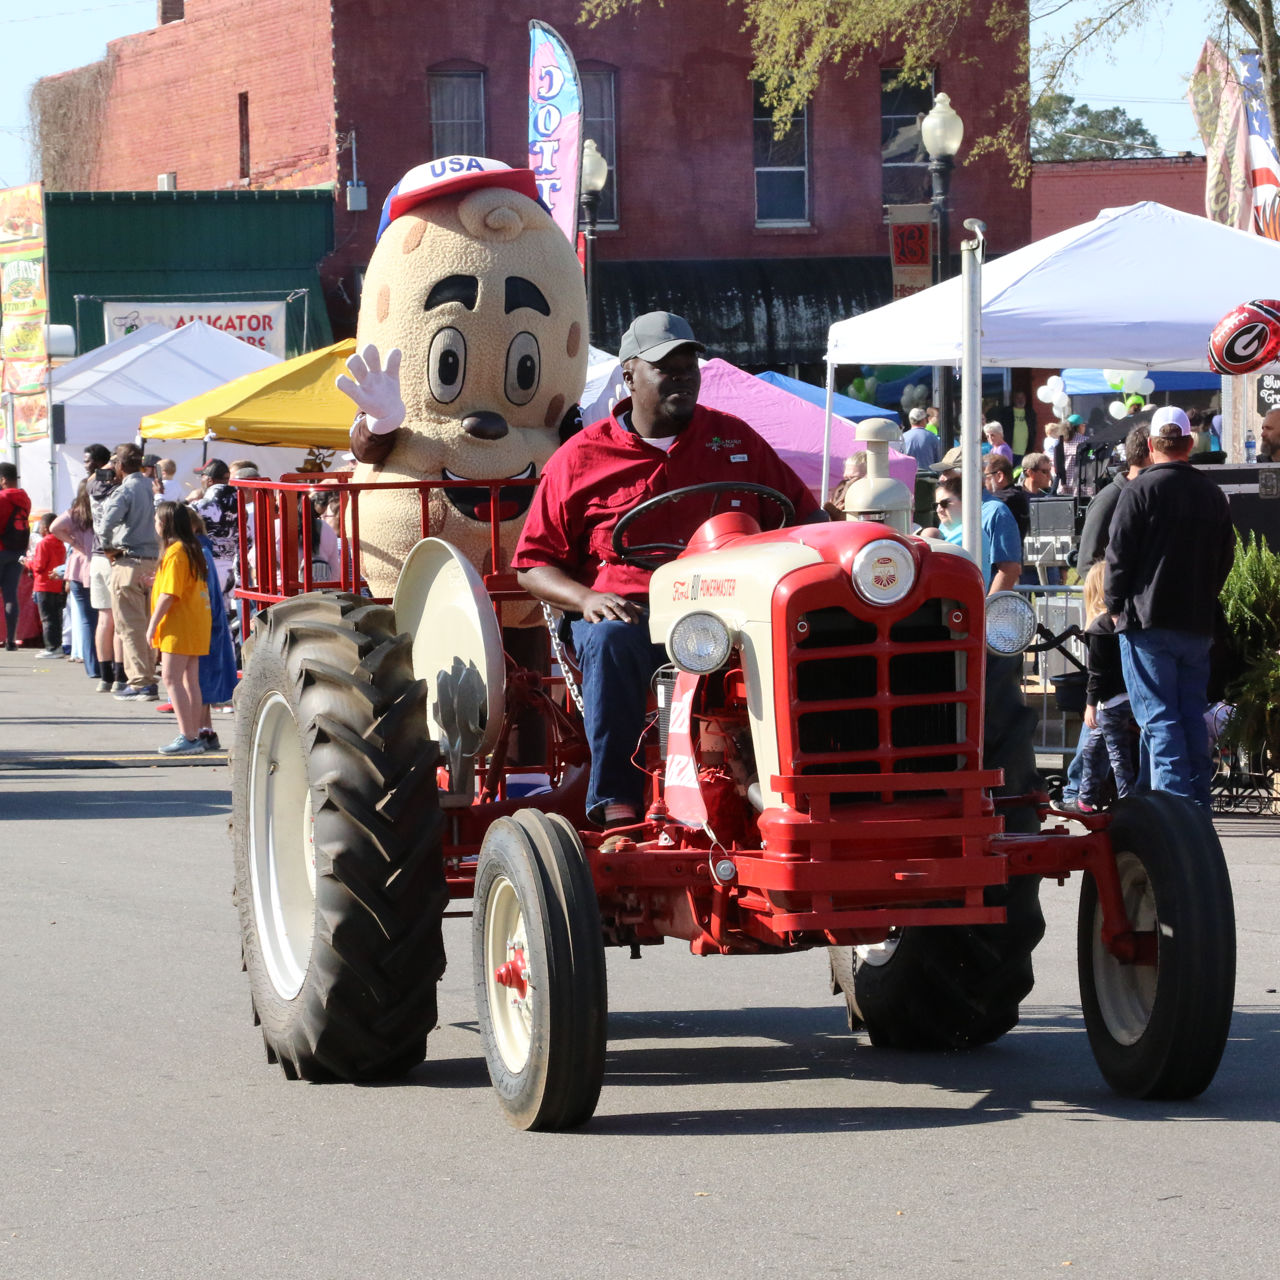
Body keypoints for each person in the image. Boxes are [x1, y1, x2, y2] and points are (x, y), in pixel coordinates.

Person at [512, 310, 821, 828]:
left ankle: (808, 788)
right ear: (629, 375)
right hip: (633, 613)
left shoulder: (735, 441)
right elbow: (532, 565)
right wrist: (586, 599)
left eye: (689, 366)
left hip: (730, 614)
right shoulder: (579, 458)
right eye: (666, 367)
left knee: (808, 634)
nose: (683, 376)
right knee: (611, 642)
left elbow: (806, 515)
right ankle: (617, 807)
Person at [1104, 406, 1235, 810]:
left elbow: (1118, 555)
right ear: (1189, 444)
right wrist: (1204, 594)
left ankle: (1176, 815)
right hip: (1195, 623)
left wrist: (1113, 604)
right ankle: (1196, 811)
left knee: (1160, 721)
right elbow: (1225, 557)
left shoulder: (1139, 490)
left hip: (1147, 621)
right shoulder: (1212, 494)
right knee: (1189, 717)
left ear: (1150, 445)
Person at [146, 501, 212, 755]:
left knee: (171, 678)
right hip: (195, 620)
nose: (154, 525)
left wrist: (152, 625)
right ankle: (193, 734)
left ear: (165, 523)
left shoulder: (175, 552)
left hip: (179, 622)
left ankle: (188, 735)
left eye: (156, 521)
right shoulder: (191, 548)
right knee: (189, 681)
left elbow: (169, 594)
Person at [1075, 562, 1138, 813]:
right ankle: (1084, 798)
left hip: (1110, 703)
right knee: (1094, 749)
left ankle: (1127, 804)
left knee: (1117, 755)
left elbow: (1097, 673)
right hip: (1131, 697)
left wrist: (1090, 704)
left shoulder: (1099, 627)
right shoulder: (1126, 620)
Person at [100, 443, 161, 700]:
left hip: (129, 561)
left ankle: (141, 682)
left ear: (120, 466)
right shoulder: (154, 487)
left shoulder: (125, 489)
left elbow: (106, 525)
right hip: (155, 562)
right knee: (149, 624)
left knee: (130, 626)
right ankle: (148, 677)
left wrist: (108, 549)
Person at [927, 472, 1022, 594]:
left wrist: (987, 607)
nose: (942, 478)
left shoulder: (996, 512)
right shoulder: (947, 522)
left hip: (974, 604)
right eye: (936, 505)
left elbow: (1009, 568)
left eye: (948, 472)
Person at [189, 509, 237, 750]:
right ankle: (206, 730)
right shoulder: (205, 549)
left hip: (201, 622)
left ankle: (197, 731)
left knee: (195, 681)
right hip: (210, 622)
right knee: (202, 682)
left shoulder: (196, 551)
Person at [1077, 422, 1150, 571]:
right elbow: (1087, 563)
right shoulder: (1109, 499)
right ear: (1151, 454)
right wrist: (1116, 591)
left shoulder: (1149, 496)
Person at [50, 484, 100, 679]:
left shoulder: (77, 513)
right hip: (100, 563)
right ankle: (104, 663)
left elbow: (54, 527)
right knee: (102, 619)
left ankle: (92, 666)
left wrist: (72, 542)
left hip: (79, 566)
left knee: (87, 620)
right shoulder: (103, 508)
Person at [87, 456, 124, 691]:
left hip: (97, 556)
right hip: (114, 556)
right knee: (120, 620)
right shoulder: (119, 491)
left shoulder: (92, 487)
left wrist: (106, 467)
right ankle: (121, 676)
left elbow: (91, 478)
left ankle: (105, 676)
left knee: (104, 619)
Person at [189, 458, 240, 598]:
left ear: (209, 480)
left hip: (206, 568)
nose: (200, 480)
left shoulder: (199, 506)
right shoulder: (241, 506)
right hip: (231, 570)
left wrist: (188, 500)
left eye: (202, 477)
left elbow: (166, 520)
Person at [21, 514, 66, 657]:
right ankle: (56, 646)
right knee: (56, 617)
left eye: (40, 527)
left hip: (43, 584)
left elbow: (39, 566)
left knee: (46, 618)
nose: (39, 529)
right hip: (57, 583)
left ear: (46, 528)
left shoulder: (44, 543)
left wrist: (27, 562)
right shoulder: (60, 542)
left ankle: (51, 648)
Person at [0, 462, 32, 650]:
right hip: (18, 552)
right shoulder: (25, 498)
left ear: (3, 479)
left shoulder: (2, 498)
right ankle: (11, 640)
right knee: (11, 595)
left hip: (1, 549)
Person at [983, 453, 1029, 542]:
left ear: (999, 476)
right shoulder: (1015, 495)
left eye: (984, 476)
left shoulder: (1008, 499)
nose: (981, 481)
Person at [996, 390, 1037, 460]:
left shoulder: (1030, 413)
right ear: (1013, 399)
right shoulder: (1007, 412)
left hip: (1025, 452)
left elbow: (1033, 430)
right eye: (1018, 398)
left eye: (1022, 397)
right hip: (1009, 450)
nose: (1020, 400)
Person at [1052, 414, 1087, 496]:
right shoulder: (1086, 441)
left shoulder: (1061, 443)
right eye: (1084, 425)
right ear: (1080, 426)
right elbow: (1091, 457)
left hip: (1064, 485)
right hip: (1081, 487)